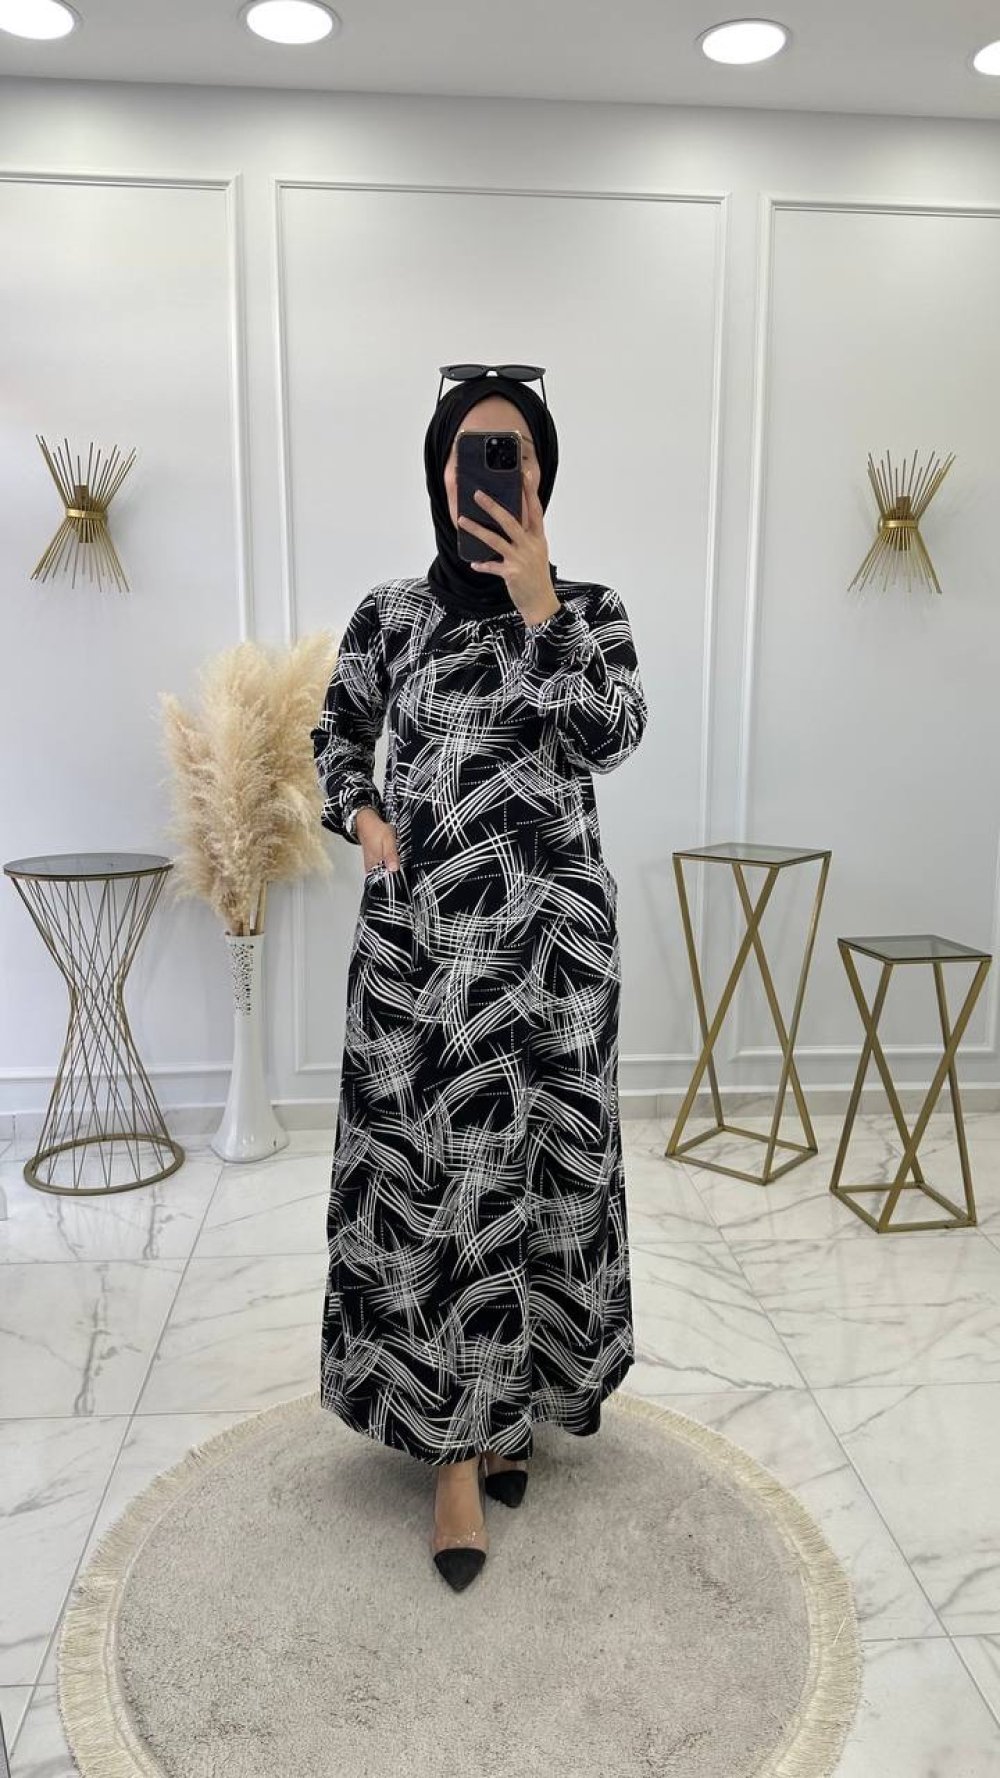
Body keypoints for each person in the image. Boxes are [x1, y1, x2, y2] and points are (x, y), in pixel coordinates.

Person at [310, 366, 648, 1592]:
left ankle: (512, 1410)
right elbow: (336, 734)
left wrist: (540, 603)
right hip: (423, 958)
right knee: (436, 1192)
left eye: (515, 451)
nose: (493, 470)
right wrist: (363, 816)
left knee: (538, 1185)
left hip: (551, 959)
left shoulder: (590, 610)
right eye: (472, 450)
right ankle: (452, 1454)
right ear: (439, 471)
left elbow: (610, 732)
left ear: (543, 473)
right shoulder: (391, 614)